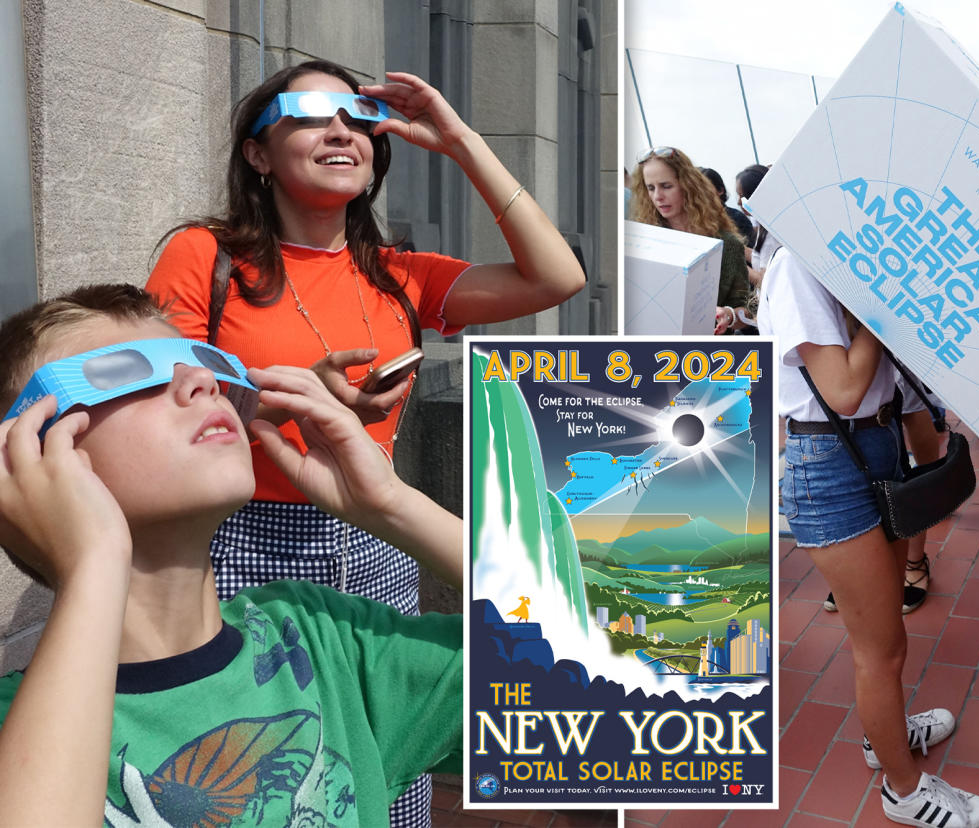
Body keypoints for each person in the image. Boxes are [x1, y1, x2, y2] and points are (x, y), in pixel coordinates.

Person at [145, 60, 581, 827]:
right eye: (311, 113)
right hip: (242, 539)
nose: (341, 129)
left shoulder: (397, 276)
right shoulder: (204, 257)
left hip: (375, 536)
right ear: (258, 152)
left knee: (386, 753)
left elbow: (557, 276)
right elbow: (160, 403)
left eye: (356, 117)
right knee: (272, 768)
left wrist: (460, 140)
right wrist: (285, 399)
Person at [0, 284, 463, 824]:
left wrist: (393, 506)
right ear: (27, 458)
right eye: (125, 373)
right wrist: (92, 562)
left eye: (201, 362)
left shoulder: (326, 642)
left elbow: (580, 646)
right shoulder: (19, 726)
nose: (203, 381)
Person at [759, 249, 979, 828]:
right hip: (828, 462)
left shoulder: (853, 262)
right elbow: (841, 390)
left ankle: (882, 736)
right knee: (879, 648)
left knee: (889, 632)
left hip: (876, 445)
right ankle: (904, 791)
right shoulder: (798, 265)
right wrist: (881, 311)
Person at [629, 146, 750, 335]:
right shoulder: (640, 243)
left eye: (666, 186)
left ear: (688, 185)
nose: (657, 196)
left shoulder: (727, 245)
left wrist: (729, 315)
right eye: (650, 188)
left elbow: (747, 310)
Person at [700, 165, 753, 241]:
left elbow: (752, 251)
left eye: (705, 189)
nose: (700, 195)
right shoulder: (695, 223)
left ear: (720, 190)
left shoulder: (737, 218)